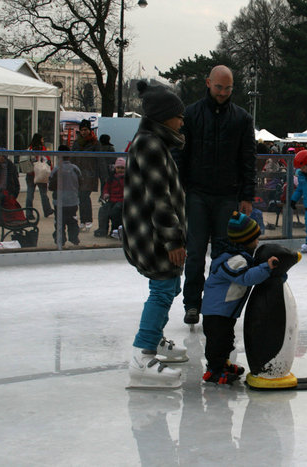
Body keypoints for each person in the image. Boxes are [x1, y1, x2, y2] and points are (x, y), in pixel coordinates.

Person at [176, 65, 256, 326]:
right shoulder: (191, 114)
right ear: (208, 83)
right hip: (197, 193)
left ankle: (218, 305)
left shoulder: (242, 118)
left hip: (227, 195)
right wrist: (180, 190)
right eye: (219, 87)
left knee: (224, 254)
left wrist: (247, 195)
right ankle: (192, 304)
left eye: (228, 88)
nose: (223, 92)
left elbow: (247, 159)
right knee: (196, 252)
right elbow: (181, 157)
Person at [123, 81, 188, 389]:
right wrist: (173, 239)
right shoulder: (150, 144)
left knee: (170, 287)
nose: (182, 120)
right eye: (178, 115)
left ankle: (155, 341)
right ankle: (142, 354)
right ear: (163, 117)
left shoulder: (155, 141)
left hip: (153, 233)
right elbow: (159, 197)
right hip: (153, 235)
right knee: (163, 290)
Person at [200, 211, 278, 384]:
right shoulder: (234, 260)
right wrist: (267, 267)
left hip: (225, 311)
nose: (258, 242)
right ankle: (214, 370)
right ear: (245, 240)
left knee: (226, 339)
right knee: (217, 341)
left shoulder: (238, 257)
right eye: (256, 239)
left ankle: (223, 364)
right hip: (217, 311)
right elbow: (246, 277)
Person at [71, 119, 102, 232]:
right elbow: (72, 157)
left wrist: (101, 175)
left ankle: (87, 220)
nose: (83, 132)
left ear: (89, 130)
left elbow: (100, 160)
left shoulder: (95, 143)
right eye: (82, 130)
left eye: (85, 130)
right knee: (81, 197)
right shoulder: (77, 143)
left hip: (90, 175)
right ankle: (84, 221)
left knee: (84, 196)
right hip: (79, 174)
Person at [48, 145, 81, 246]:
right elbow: (81, 182)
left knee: (59, 222)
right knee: (72, 220)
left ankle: (60, 240)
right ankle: (74, 237)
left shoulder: (57, 169)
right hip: (72, 200)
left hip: (59, 201)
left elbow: (51, 185)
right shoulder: (75, 169)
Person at [94, 157, 125, 238]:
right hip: (112, 200)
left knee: (116, 211)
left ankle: (115, 229)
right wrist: (106, 194)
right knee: (103, 210)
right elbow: (106, 188)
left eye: (122, 168)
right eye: (118, 168)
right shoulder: (111, 178)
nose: (120, 170)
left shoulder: (127, 179)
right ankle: (102, 229)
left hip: (122, 200)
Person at [25, 133, 54, 219]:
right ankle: (47, 210)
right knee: (43, 194)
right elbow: (47, 160)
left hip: (30, 174)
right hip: (41, 174)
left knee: (29, 194)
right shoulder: (42, 149)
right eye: (42, 139)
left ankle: (29, 213)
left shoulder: (29, 149)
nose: (43, 141)